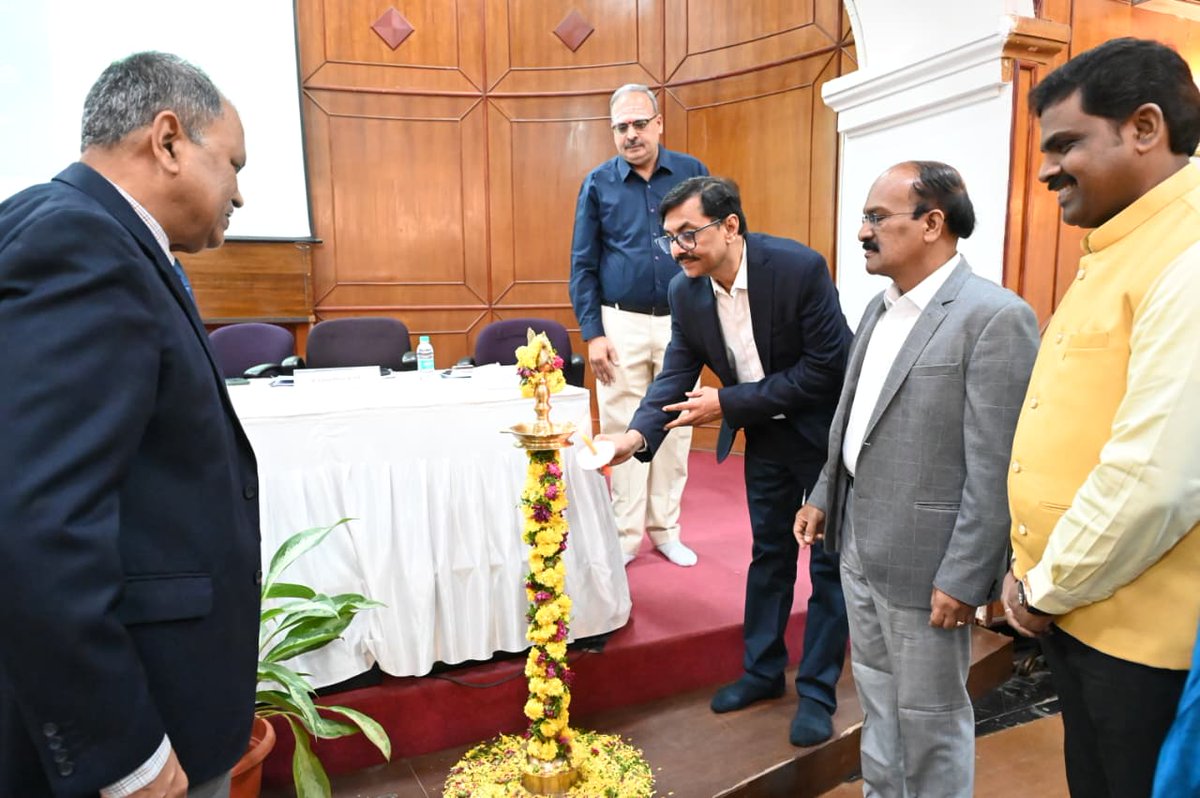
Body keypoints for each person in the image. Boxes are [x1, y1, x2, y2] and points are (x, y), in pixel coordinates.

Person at [0, 52, 260, 797]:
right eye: (233, 165)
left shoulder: (74, 227)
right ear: (169, 140)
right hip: (137, 723)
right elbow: (39, 525)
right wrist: (124, 754)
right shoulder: (80, 248)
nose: (240, 193)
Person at [794, 161, 1040, 797]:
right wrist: (824, 493)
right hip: (859, 547)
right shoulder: (880, 309)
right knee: (877, 705)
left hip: (929, 568)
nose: (863, 232)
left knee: (930, 720)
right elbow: (855, 421)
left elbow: (995, 466)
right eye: (865, 218)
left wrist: (965, 575)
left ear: (933, 223)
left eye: (877, 217)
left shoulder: (993, 317)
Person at [1001, 37, 1200, 798]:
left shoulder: (1188, 252)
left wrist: (1044, 588)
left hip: (1142, 643)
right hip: (1081, 613)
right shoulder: (1117, 246)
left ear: (1145, 128)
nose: (1047, 168)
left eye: (1066, 144)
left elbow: (1156, 479)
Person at [600, 176, 851, 746]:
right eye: (669, 239)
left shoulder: (798, 269)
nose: (678, 249)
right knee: (769, 556)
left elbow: (824, 371)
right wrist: (633, 440)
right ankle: (762, 673)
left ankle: (816, 693)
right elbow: (675, 375)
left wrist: (727, 403)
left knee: (828, 567)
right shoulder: (684, 294)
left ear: (731, 225)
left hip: (821, 436)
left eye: (688, 234)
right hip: (764, 438)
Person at [569, 83, 709, 567]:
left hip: (684, 324)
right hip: (619, 323)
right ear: (613, 132)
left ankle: (666, 529)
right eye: (621, 127)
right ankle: (625, 536)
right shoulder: (597, 183)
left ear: (659, 123)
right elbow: (583, 264)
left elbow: (717, 247)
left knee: (677, 424)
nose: (631, 135)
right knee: (621, 426)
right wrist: (593, 334)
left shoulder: (692, 174)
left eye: (639, 124)